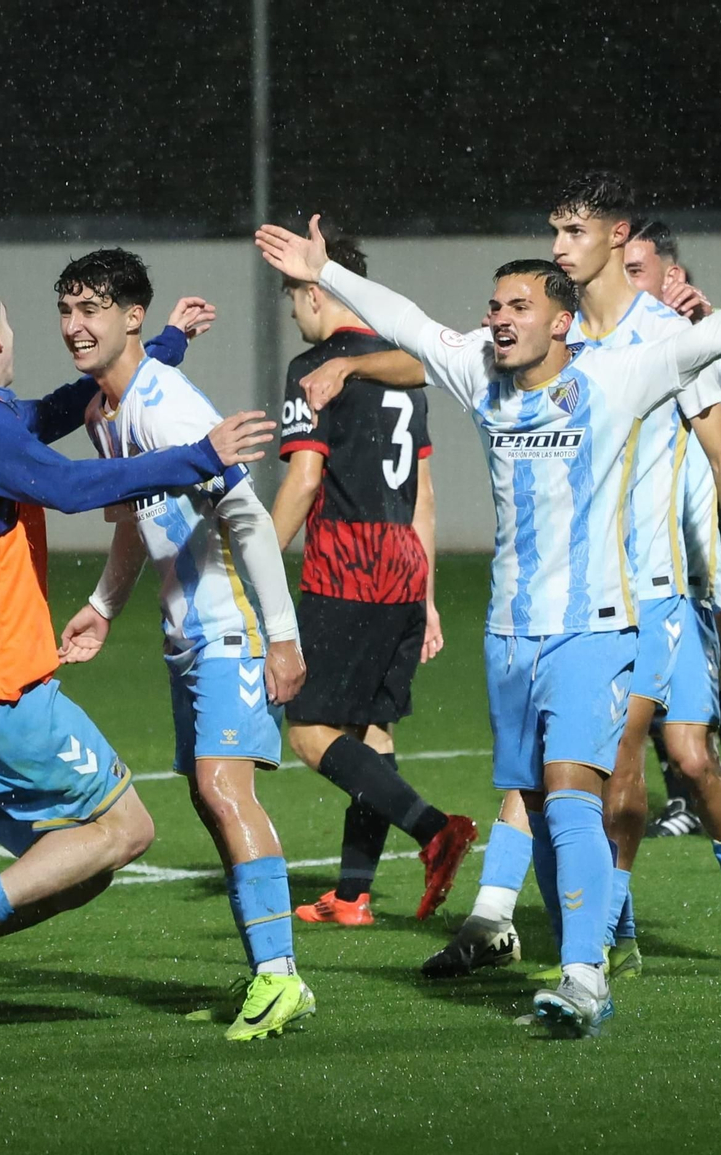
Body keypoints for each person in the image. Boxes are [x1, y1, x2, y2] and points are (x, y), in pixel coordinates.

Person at [256, 214, 721, 1036]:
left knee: (581, 792)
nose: (499, 317)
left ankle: (585, 977)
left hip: (599, 627)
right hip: (511, 637)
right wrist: (329, 272)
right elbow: (405, 322)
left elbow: (712, 338)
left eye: (518, 304)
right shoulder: (480, 374)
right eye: (493, 305)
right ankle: (598, 939)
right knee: (539, 802)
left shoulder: (618, 376)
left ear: (559, 319)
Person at [0, 268, 271, 1035]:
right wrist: (199, 454)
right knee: (128, 831)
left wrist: (161, 347)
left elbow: (57, 409)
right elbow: (77, 487)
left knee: (83, 865)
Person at [52, 249, 312, 1042]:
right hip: (187, 632)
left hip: (230, 627)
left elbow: (250, 519)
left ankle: (280, 978)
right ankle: (266, 967)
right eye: (66, 309)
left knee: (226, 791)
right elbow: (134, 519)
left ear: (132, 316)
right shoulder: (108, 414)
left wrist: (283, 637)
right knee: (210, 795)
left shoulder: (165, 408)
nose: (74, 326)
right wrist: (102, 606)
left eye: (92, 308)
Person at [268, 228, 476, 927]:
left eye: (297, 296)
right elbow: (423, 488)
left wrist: (260, 562)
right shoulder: (402, 369)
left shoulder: (316, 367)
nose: (295, 310)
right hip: (402, 560)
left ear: (317, 290)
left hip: (345, 561)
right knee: (371, 728)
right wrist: (428, 592)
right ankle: (354, 894)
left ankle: (433, 829)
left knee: (308, 730)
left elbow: (303, 480)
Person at [625, 220, 721, 843]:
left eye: (636, 270)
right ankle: (678, 806)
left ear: (672, 277)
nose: (621, 283)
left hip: (693, 551)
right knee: (622, 714)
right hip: (616, 558)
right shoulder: (600, 341)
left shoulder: (692, 343)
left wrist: (710, 322)